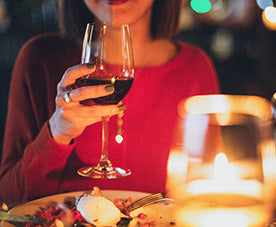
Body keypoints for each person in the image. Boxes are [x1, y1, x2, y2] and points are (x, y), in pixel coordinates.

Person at [0, 0, 219, 206]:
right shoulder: (39, 58)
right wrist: (56, 133)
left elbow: (207, 197)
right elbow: (11, 199)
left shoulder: (195, 69)